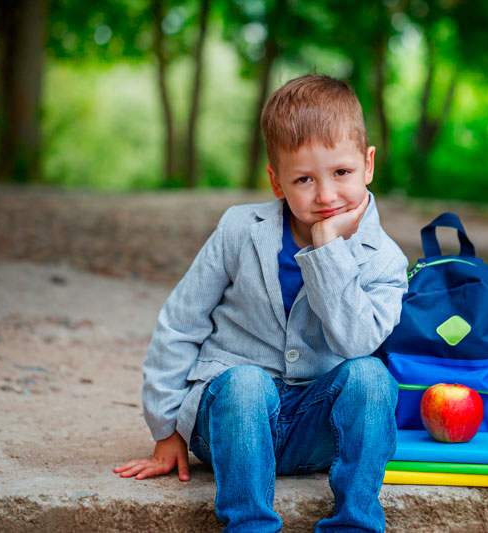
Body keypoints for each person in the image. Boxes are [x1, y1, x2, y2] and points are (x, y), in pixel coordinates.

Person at [114, 74, 408, 532]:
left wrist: (328, 249)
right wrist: (165, 429)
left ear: (368, 165)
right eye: (304, 179)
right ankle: (250, 524)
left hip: (317, 432)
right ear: (276, 182)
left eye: (342, 173)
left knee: (372, 377)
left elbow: (356, 342)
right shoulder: (239, 229)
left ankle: (355, 523)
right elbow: (180, 322)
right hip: (231, 420)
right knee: (247, 383)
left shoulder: (385, 260)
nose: (326, 195)